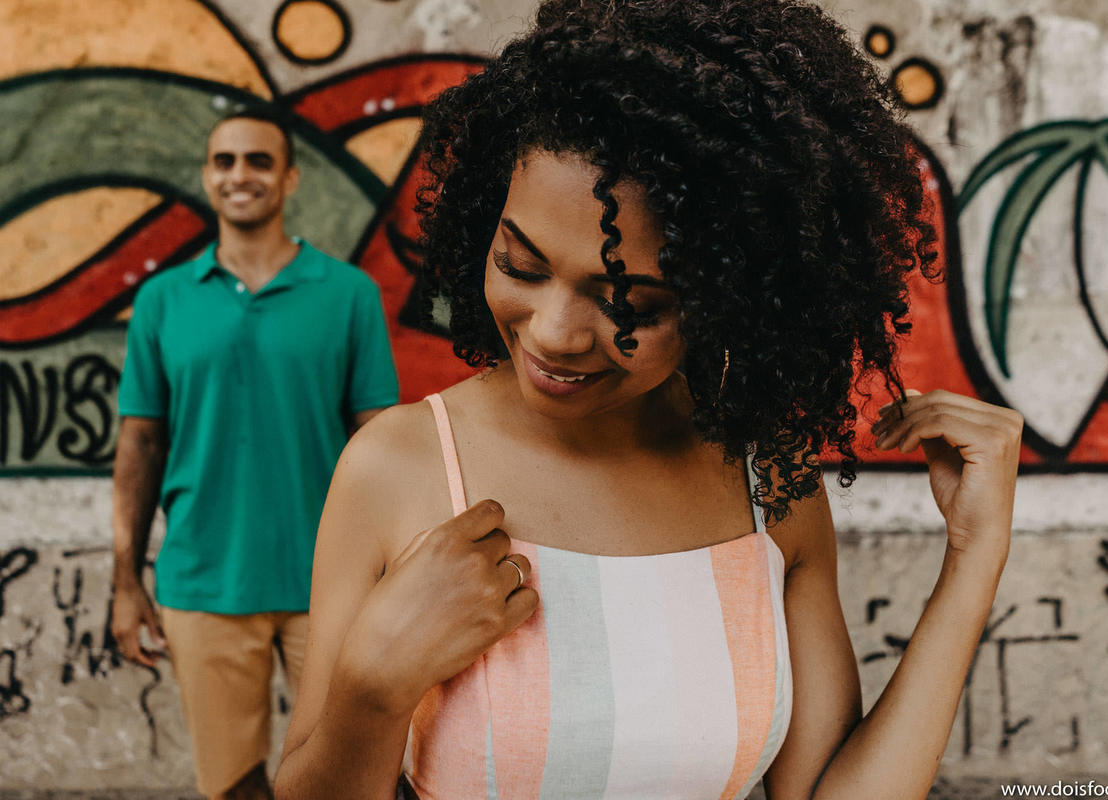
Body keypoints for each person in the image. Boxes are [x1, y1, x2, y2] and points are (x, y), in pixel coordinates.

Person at [275, 1, 1023, 797]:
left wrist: (975, 559)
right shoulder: (397, 466)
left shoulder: (766, 480)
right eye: (521, 266)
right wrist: (373, 688)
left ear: (729, 298)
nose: (555, 333)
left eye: (628, 303)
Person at [110, 107, 399, 800]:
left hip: (331, 584)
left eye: (259, 161)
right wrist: (125, 581)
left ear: (290, 178)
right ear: (208, 179)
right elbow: (140, 441)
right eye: (225, 161)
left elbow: (383, 439)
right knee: (234, 788)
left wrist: (395, 568)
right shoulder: (163, 299)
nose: (241, 175)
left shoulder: (349, 294)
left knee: (347, 781)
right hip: (205, 584)